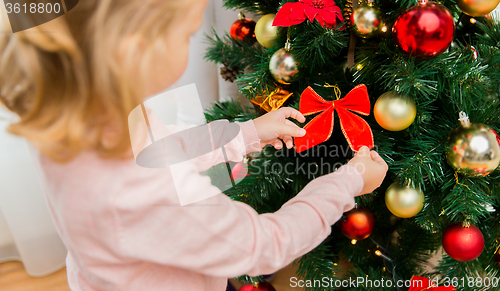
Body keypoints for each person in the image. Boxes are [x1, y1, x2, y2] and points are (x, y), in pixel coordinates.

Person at [0, 0, 388, 290]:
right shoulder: (142, 191)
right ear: (133, 51)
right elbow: (267, 243)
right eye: (186, 32)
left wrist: (247, 134)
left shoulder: (72, 113)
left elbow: (165, 151)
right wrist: (348, 181)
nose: (190, 41)